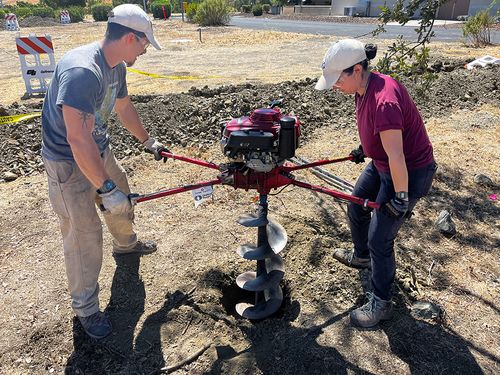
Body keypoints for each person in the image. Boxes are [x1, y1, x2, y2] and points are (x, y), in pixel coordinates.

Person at [41, 4, 168, 339]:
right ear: (130, 37)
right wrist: (105, 187)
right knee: (84, 234)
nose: (144, 50)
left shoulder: (116, 68)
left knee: (123, 198)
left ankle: (126, 246)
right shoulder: (84, 71)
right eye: (144, 44)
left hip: (97, 148)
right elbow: (76, 138)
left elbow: (124, 108)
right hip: (67, 162)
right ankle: (86, 310)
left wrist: (147, 141)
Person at [315, 39, 437, 328]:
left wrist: (401, 197)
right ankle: (361, 257)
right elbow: (382, 137)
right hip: (383, 163)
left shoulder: (385, 100)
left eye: (337, 79)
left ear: (357, 69)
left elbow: (397, 154)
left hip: (406, 170)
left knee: (380, 237)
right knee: (356, 205)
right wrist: (366, 148)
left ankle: (381, 304)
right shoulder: (362, 87)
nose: (334, 86)